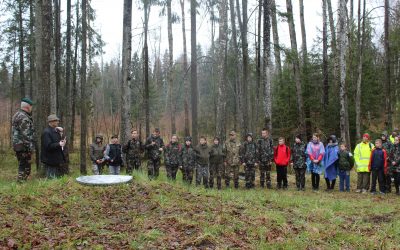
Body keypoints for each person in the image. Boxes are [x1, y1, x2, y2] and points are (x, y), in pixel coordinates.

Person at [11, 98, 36, 182]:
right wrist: (31, 148)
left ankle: (22, 181)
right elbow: (26, 135)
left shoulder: (17, 114)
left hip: (18, 144)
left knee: (23, 163)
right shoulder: (24, 117)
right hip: (23, 146)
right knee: (24, 164)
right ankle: (21, 182)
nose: (32, 108)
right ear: (28, 107)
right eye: (31, 106)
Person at [40, 114, 66, 179]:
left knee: (57, 180)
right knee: (51, 180)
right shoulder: (46, 132)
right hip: (50, 161)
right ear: (51, 122)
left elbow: (58, 141)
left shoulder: (56, 130)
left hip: (56, 160)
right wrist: (59, 144)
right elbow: (48, 146)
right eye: (56, 121)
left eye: (58, 120)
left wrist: (62, 140)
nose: (58, 122)